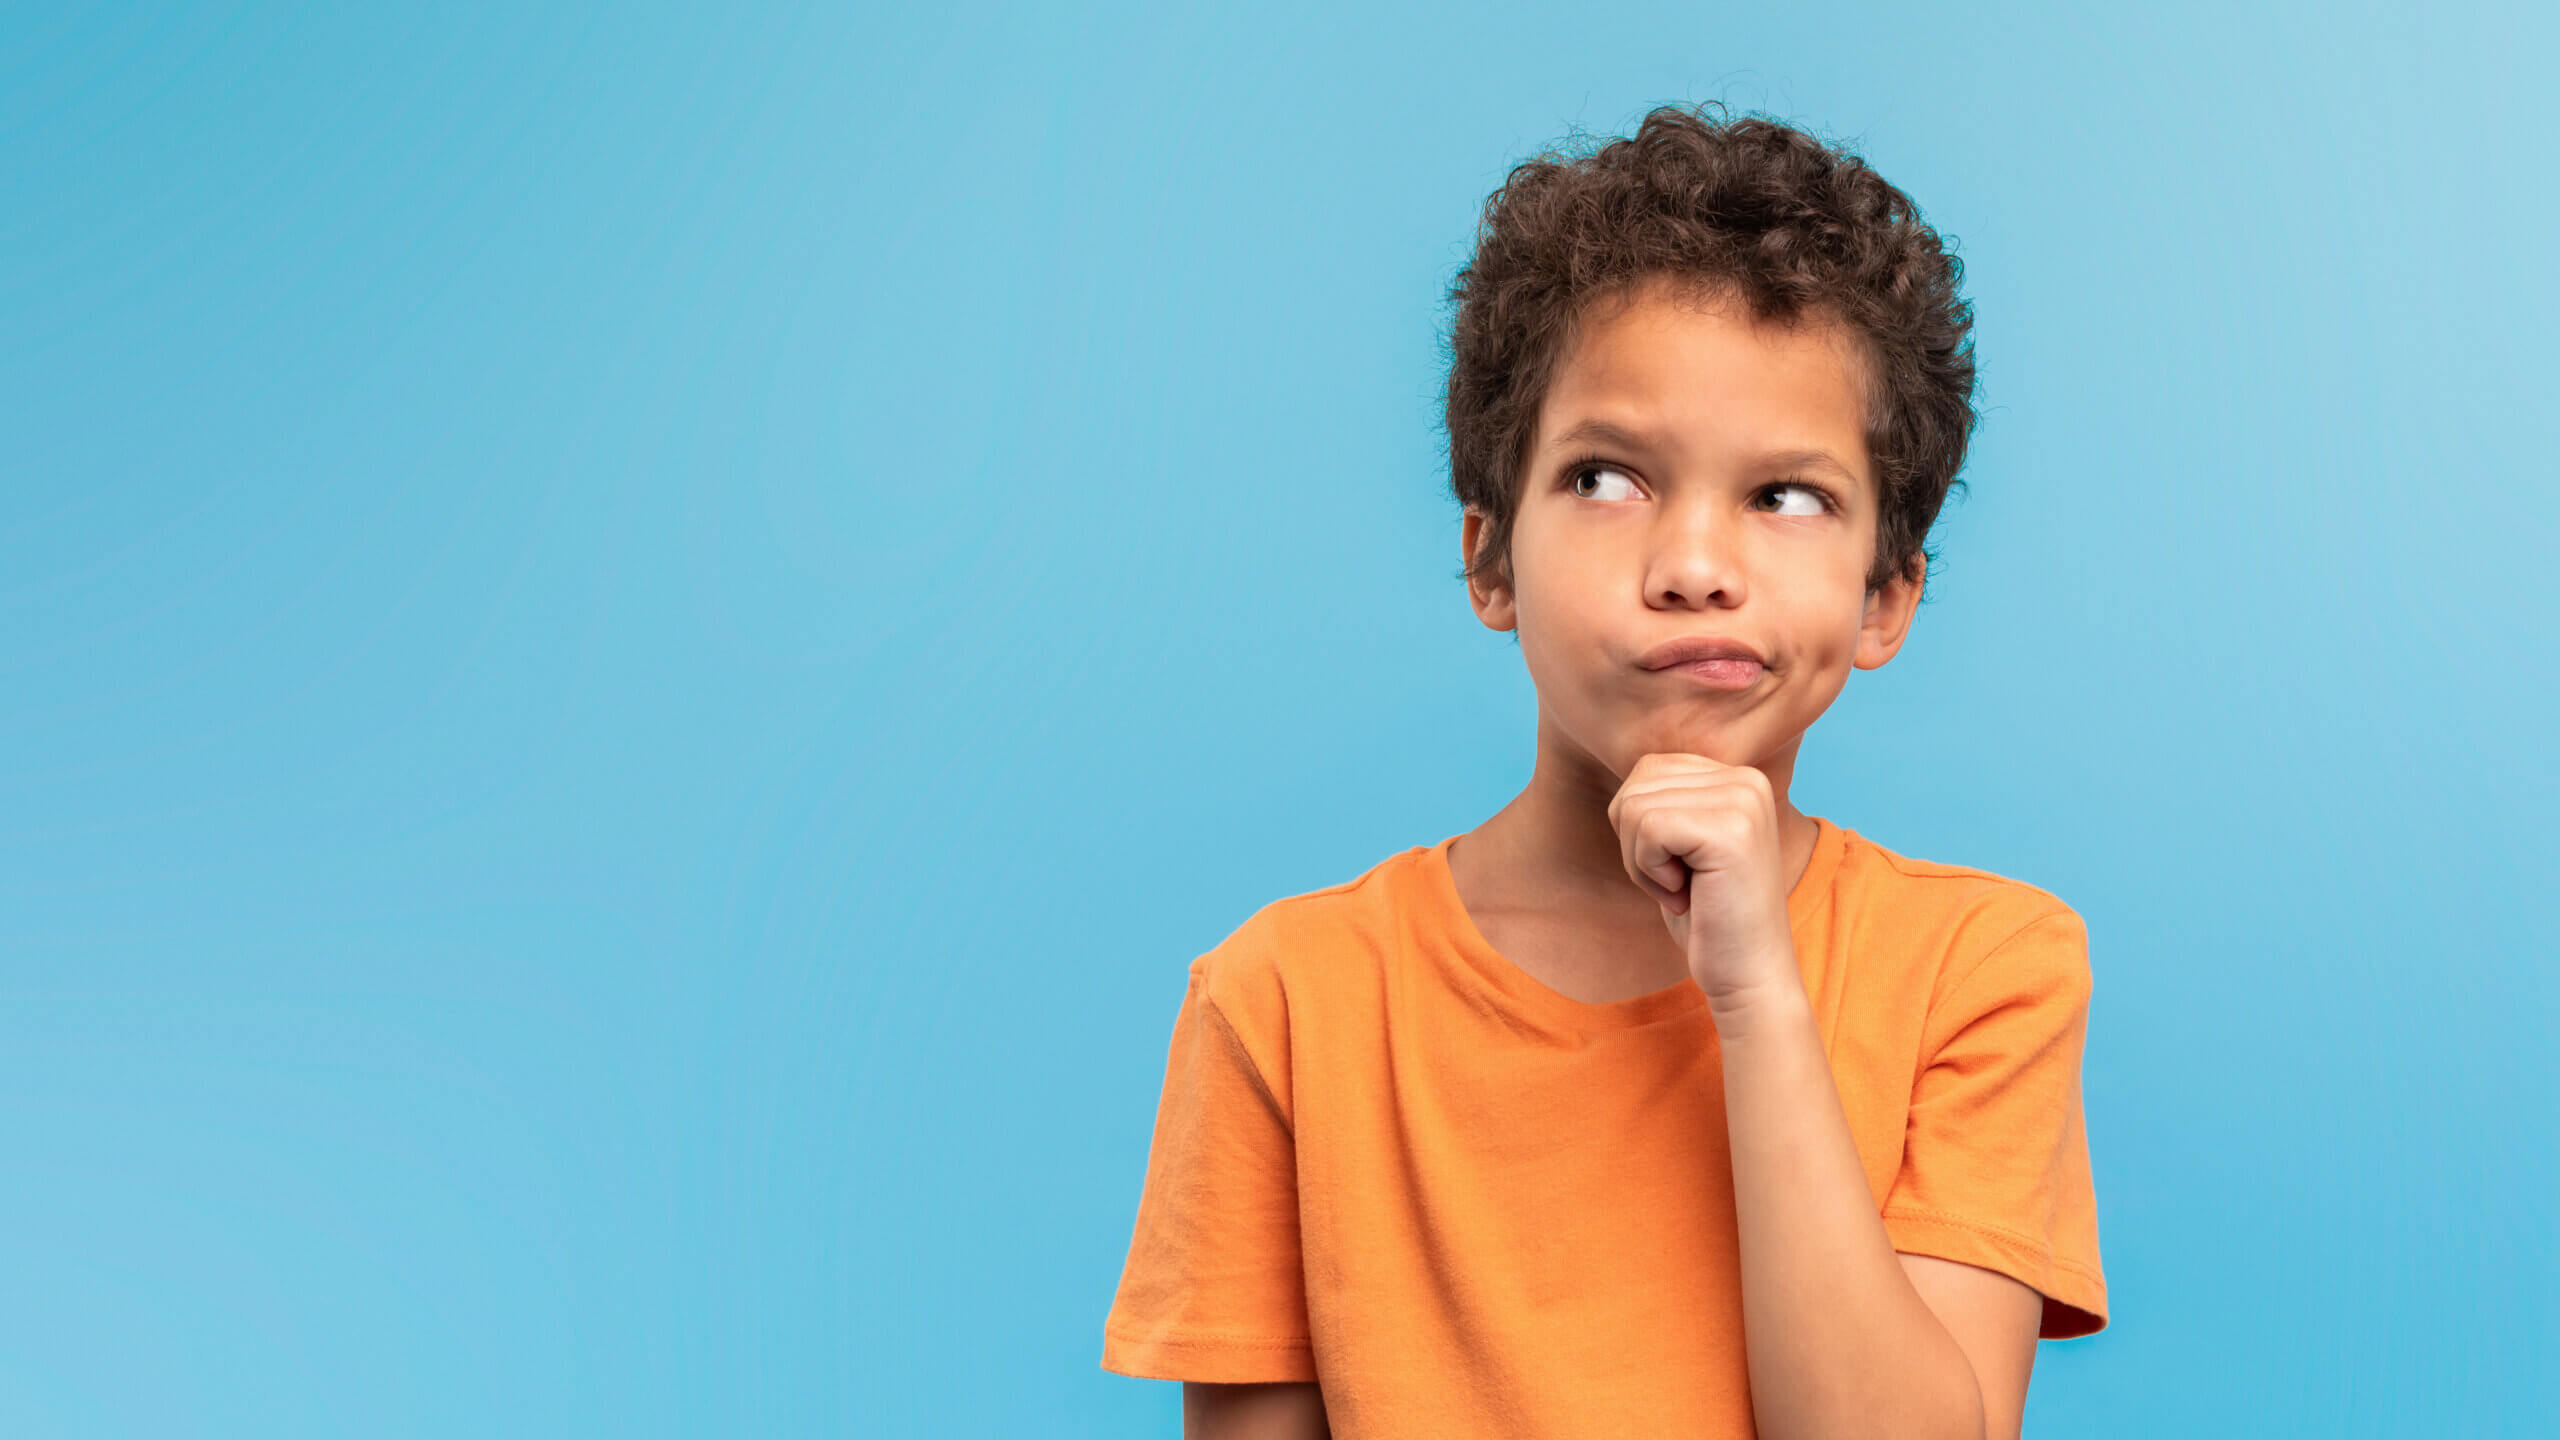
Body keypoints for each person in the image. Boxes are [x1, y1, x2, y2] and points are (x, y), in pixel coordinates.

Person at [1099, 100, 2108, 1440]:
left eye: (1787, 497)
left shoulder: (1983, 967)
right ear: (1489, 561)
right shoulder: (1286, 1000)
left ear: (1887, 596)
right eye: (1608, 477)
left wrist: (1758, 1003)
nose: (1694, 564)